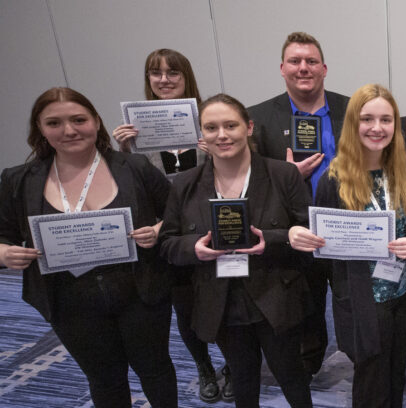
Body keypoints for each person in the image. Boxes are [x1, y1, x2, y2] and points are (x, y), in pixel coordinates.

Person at [0, 87, 177, 407]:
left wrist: (158, 229)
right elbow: (3, 234)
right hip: (69, 300)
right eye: (54, 123)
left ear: (96, 121)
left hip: (140, 291)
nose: (68, 130)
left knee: (155, 370)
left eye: (78, 119)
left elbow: (179, 214)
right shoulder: (18, 180)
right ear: (39, 128)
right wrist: (3, 252)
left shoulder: (134, 167)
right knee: (104, 378)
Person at [159, 93, 313, 408]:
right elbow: (168, 244)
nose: (222, 135)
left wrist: (270, 239)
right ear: (202, 134)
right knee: (242, 381)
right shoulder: (185, 184)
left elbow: (308, 233)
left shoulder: (283, 175)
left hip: (276, 295)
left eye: (231, 125)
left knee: (291, 376)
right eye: (212, 127)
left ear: (249, 127)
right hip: (220, 299)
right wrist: (194, 249)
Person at [288, 84, 406, 408]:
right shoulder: (334, 179)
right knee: (370, 382)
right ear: (352, 124)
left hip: (401, 294)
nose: (377, 128)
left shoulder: (405, 172)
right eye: (367, 119)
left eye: (386, 120)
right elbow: (323, 258)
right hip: (362, 301)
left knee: (396, 375)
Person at [109, 47, 226, 403]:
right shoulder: (135, 133)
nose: (163, 80)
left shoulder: (211, 120)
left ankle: (235, 365)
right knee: (186, 310)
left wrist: (220, 149)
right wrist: (124, 153)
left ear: (186, 76)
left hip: (212, 226)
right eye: (155, 73)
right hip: (167, 234)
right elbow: (135, 190)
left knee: (227, 303)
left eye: (172, 72)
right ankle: (205, 368)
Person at [247, 31, 349, 375]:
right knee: (307, 308)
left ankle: (360, 355)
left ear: (324, 68)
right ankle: (308, 368)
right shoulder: (258, 118)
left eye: (310, 61)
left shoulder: (352, 109)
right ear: (282, 68)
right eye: (295, 61)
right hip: (296, 231)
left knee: (353, 303)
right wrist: (284, 173)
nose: (303, 68)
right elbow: (248, 181)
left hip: (348, 225)